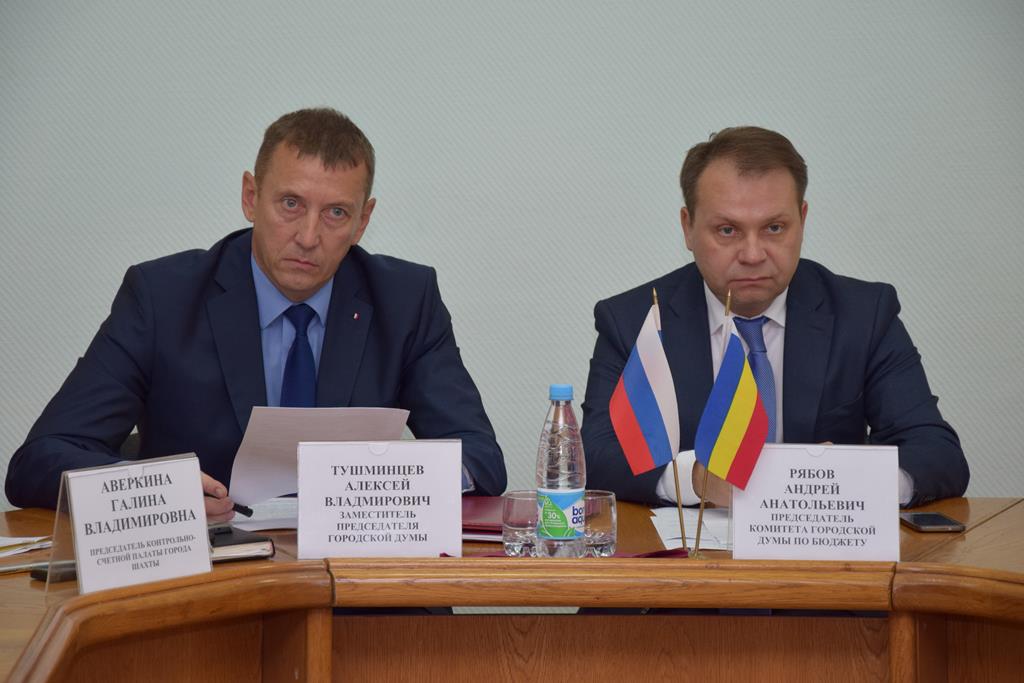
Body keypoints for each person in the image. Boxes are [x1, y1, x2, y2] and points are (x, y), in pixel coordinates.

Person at [6, 108, 506, 519]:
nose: (308, 236)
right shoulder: (163, 298)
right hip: (206, 580)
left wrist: (386, 480)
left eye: (336, 213)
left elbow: (481, 459)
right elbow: (40, 460)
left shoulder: (405, 299)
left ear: (362, 222)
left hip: (354, 580)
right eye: (290, 203)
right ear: (251, 197)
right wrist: (158, 493)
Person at [582, 126, 968, 508]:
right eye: (727, 230)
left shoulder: (864, 315)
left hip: (822, 543)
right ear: (688, 227)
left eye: (774, 228)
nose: (753, 254)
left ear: (802, 219)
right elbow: (595, 456)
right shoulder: (636, 321)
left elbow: (937, 453)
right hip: (692, 545)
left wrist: (854, 478)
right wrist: (696, 479)